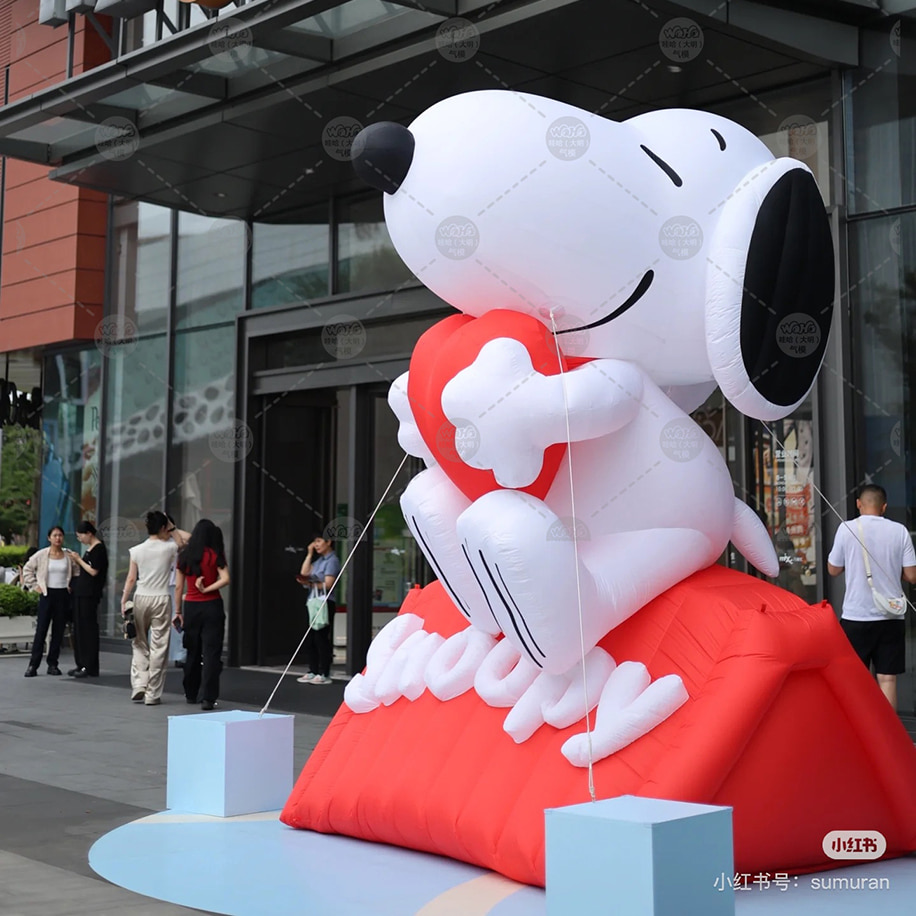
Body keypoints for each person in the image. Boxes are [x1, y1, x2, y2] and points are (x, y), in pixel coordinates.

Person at [827, 484, 916, 709]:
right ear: (883, 507)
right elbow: (912, 576)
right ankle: (887, 729)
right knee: (888, 679)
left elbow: (833, 569)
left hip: (856, 617)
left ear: (859, 504)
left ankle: (862, 728)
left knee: (856, 678)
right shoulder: (900, 531)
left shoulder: (846, 529)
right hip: (891, 616)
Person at [121, 511, 182, 705]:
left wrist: (124, 600)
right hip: (161, 598)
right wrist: (173, 528)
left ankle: (139, 683)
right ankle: (152, 694)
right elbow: (183, 541)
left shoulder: (136, 550)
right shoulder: (170, 548)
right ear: (164, 527)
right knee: (159, 646)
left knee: (139, 642)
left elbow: (131, 578)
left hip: (140, 597)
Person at [173, 519, 230, 711]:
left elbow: (178, 587)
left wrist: (178, 611)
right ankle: (208, 697)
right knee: (211, 653)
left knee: (193, 651)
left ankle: (191, 692)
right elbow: (226, 579)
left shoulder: (185, 556)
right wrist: (207, 589)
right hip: (212, 606)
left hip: (191, 606)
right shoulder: (215, 554)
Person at [22, 527, 80, 677]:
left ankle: (53, 664)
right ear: (49, 538)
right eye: (55, 535)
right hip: (47, 594)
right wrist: (35, 586)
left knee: (58, 631)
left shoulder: (68, 555)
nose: (58, 538)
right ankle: (33, 665)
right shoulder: (42, 554)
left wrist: (71, 586)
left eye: (60, 535)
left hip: (63, 594)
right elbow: (27, 569)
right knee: (41, 630)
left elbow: (76, 571)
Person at [65, 521, 109, 678]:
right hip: (81, 592)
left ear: (89, 533)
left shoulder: (99, 549)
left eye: (80, 536)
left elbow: (93, 571)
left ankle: (89, 665)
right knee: (79, 629)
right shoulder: (90, 549)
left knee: (88, 629)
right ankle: (81, 663)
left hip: (90, 594)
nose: (80, 539)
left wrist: (78, 560)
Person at [296, 535, 341, 685]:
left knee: (321, 638)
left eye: (319, 541)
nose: (316, 545)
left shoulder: (332, 560)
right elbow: (305, 573)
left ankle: (324, 672)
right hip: (313, 602)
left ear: (329, 542)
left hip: (325, 602)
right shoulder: (319, 561)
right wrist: (309, 554)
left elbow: (328, 584)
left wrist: (309, 583)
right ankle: (313, 670)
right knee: (311, 638)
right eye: (314, 542)